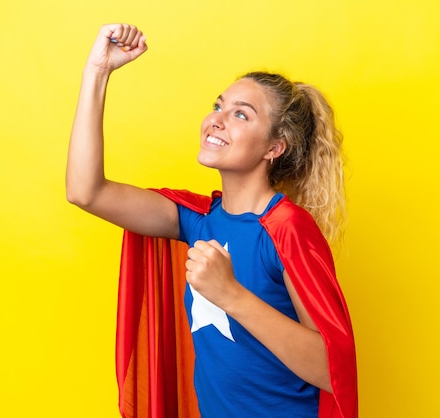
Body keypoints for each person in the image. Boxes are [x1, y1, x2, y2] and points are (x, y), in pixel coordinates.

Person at [66, 23, 357, 418]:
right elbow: (87, 192)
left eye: (241, 114)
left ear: (275, 146)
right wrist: (98, 71)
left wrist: (230, 293)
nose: (217, 119)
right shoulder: (198, 219)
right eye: (218, 106)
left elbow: (331, 368)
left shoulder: (286, 227)